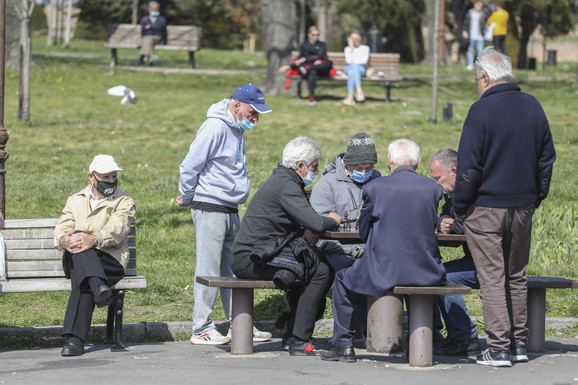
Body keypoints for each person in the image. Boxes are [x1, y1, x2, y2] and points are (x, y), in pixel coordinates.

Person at [454, 47, 556, 367]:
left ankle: (497, 348)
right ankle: (519, 345)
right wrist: (537, 196)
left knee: (493, 278)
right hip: (523, 205)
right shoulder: (533, 106)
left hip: (485, 206)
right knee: (516, 275)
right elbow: (546, 159)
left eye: (476, 79)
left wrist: (460, 205)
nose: (476, 84)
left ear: (485, 78)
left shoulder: (480, 111)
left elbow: (469, 169)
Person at [321, 139, 446, 363]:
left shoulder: (374, 188)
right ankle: (426, 336)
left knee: (342, 279)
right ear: (417, 162)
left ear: (389, 161)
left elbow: (365, 230)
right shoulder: (433, 188)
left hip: (383, 270)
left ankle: (343, 344)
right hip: (426, 269)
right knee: (417, 284)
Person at [178, 84, 272, 346]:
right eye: (253, 113)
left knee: (234, 269)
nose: (255, 119)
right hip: (210, 206)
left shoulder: (238, 127)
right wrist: (187, 197)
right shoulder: (215, 127)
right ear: (237, 105)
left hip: (230, 208)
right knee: (208, 269)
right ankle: (201, 328)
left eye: (258, 115)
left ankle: (240, 323)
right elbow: (189, 165)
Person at [232, 136, 342, 356]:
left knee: (316, 265)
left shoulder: (285, 180)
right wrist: (334, 219)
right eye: (314, 167)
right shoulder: (286, 185)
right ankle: (298, 339)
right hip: (251, 259)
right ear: (300, 166)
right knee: (321, 270)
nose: (316, 173)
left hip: (262, 254)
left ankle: (294, 335)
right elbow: (316, 223)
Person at [54, 155, 136, 357]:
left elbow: (118, 228)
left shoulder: (124, 201)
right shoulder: (75, 200)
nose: (110, 181)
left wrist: (94, 238)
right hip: (76, 255)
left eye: (113, 177)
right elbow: (63, 227)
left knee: (84, 271)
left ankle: (75, 340)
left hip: (111, 260)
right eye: (105, 177)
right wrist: (64, 239)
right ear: (92, 177)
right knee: (81, 253)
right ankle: (98, 285)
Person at [429, 148, 481, 357]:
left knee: (442, 276)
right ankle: (456, 334)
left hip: (491, 263)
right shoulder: (453, 193)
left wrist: (451, 224)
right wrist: (443, 222)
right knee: (434, 271)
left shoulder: (471, 191)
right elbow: (444, 216)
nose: (436, 183)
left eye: (437, 177)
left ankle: (465, 337)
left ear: (454, 171)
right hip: (476, 259)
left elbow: (466, 226)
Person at [310, 132, 381, 272]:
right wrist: (355, 250)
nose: (365, 172)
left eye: (369, 168)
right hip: (338, 250)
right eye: (359, 168)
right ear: (347, 163)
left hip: (373, 248)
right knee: (357, 270)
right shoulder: (326, 185)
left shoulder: (378, 179)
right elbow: (320, 235)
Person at [290, 26, 334, 106]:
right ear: (309, 35)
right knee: (312, 72)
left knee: (329, 63)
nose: (316, 36)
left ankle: (309, 68)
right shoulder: (304, 45)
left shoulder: (321, 45)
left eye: (317, 34)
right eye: (314, 34)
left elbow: (320, 56)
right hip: (310, 71)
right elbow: (300, 59)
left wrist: (306, 59)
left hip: (320, 68)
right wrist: (293, 65)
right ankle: (312, 97)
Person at [342, 32, 370, 106]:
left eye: (357, 39)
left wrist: (355, 62)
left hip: (361, 69)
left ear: (360, 39)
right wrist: (351, 48)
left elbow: (364, 61)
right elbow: (349, 61)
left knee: (352, 71)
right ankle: (359, 90)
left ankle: (350, 96)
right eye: (353, 39)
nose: (355, 40)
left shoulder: (365, 48)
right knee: (352, 68)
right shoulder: (347, 49)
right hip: (349, 67)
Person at [138, 1, 167, 66]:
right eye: (153, 9)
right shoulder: (144, 19)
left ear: (158, 9)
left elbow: (159, 27)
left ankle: (143, 55)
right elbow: (143, 29)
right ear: (149, 10)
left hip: (157, 38)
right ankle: (150, 62)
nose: (154, 11)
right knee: (148, 41)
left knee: (148, 39)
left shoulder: (162, 19)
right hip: (146, 38)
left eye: (156, 9)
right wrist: (154, 26)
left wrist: (150, 26)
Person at [462, 1, 487, 70]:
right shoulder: (470, 13)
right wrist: (464, 31)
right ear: (475, 5)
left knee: (480, 52)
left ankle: (480, 66)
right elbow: (465, 23)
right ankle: (470, 64)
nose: (480, 7)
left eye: (481, 6)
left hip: (480, 36)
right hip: (471, 36)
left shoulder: (483, 14)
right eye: (479, 5)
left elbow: (489, 21)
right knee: (470, 50)